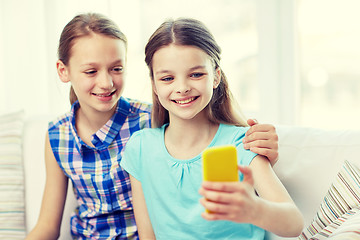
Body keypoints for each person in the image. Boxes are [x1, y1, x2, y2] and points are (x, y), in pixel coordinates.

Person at [26, 13, 280, 240]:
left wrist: (261, 147)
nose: (105, 82)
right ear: (63, 70)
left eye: (116, 68)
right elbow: (47, 227)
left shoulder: (149, 120)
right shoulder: (57, 135)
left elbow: (202, 127)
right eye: (90, 71)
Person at [120, 18, 304, 240]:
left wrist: (254, 209)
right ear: (154, 85)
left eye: (196, 74)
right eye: (168, 78)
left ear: (216, 76)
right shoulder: (140, 148)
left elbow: (294, 223)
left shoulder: (241, 143)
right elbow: (147, 235)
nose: (182, 88)